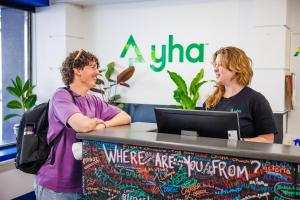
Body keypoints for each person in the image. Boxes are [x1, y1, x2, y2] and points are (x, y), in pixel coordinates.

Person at [34, 49, 131, 199]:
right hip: (57, 186)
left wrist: (103, 125)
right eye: (93, 67)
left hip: (85, 183)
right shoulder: (61, 96)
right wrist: (91, 123)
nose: (98, 72)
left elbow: (125, 117)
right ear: (78, 70)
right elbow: (83, 126)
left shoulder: (94, 100)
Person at [205, 46, 277, 143]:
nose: (215, 69)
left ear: (236, 68)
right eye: (215, 65)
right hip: (210, 156)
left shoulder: (256, 100)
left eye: (220, 64)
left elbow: (267, 140)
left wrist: (238, 142)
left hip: (241, 157)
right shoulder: (212, 100)